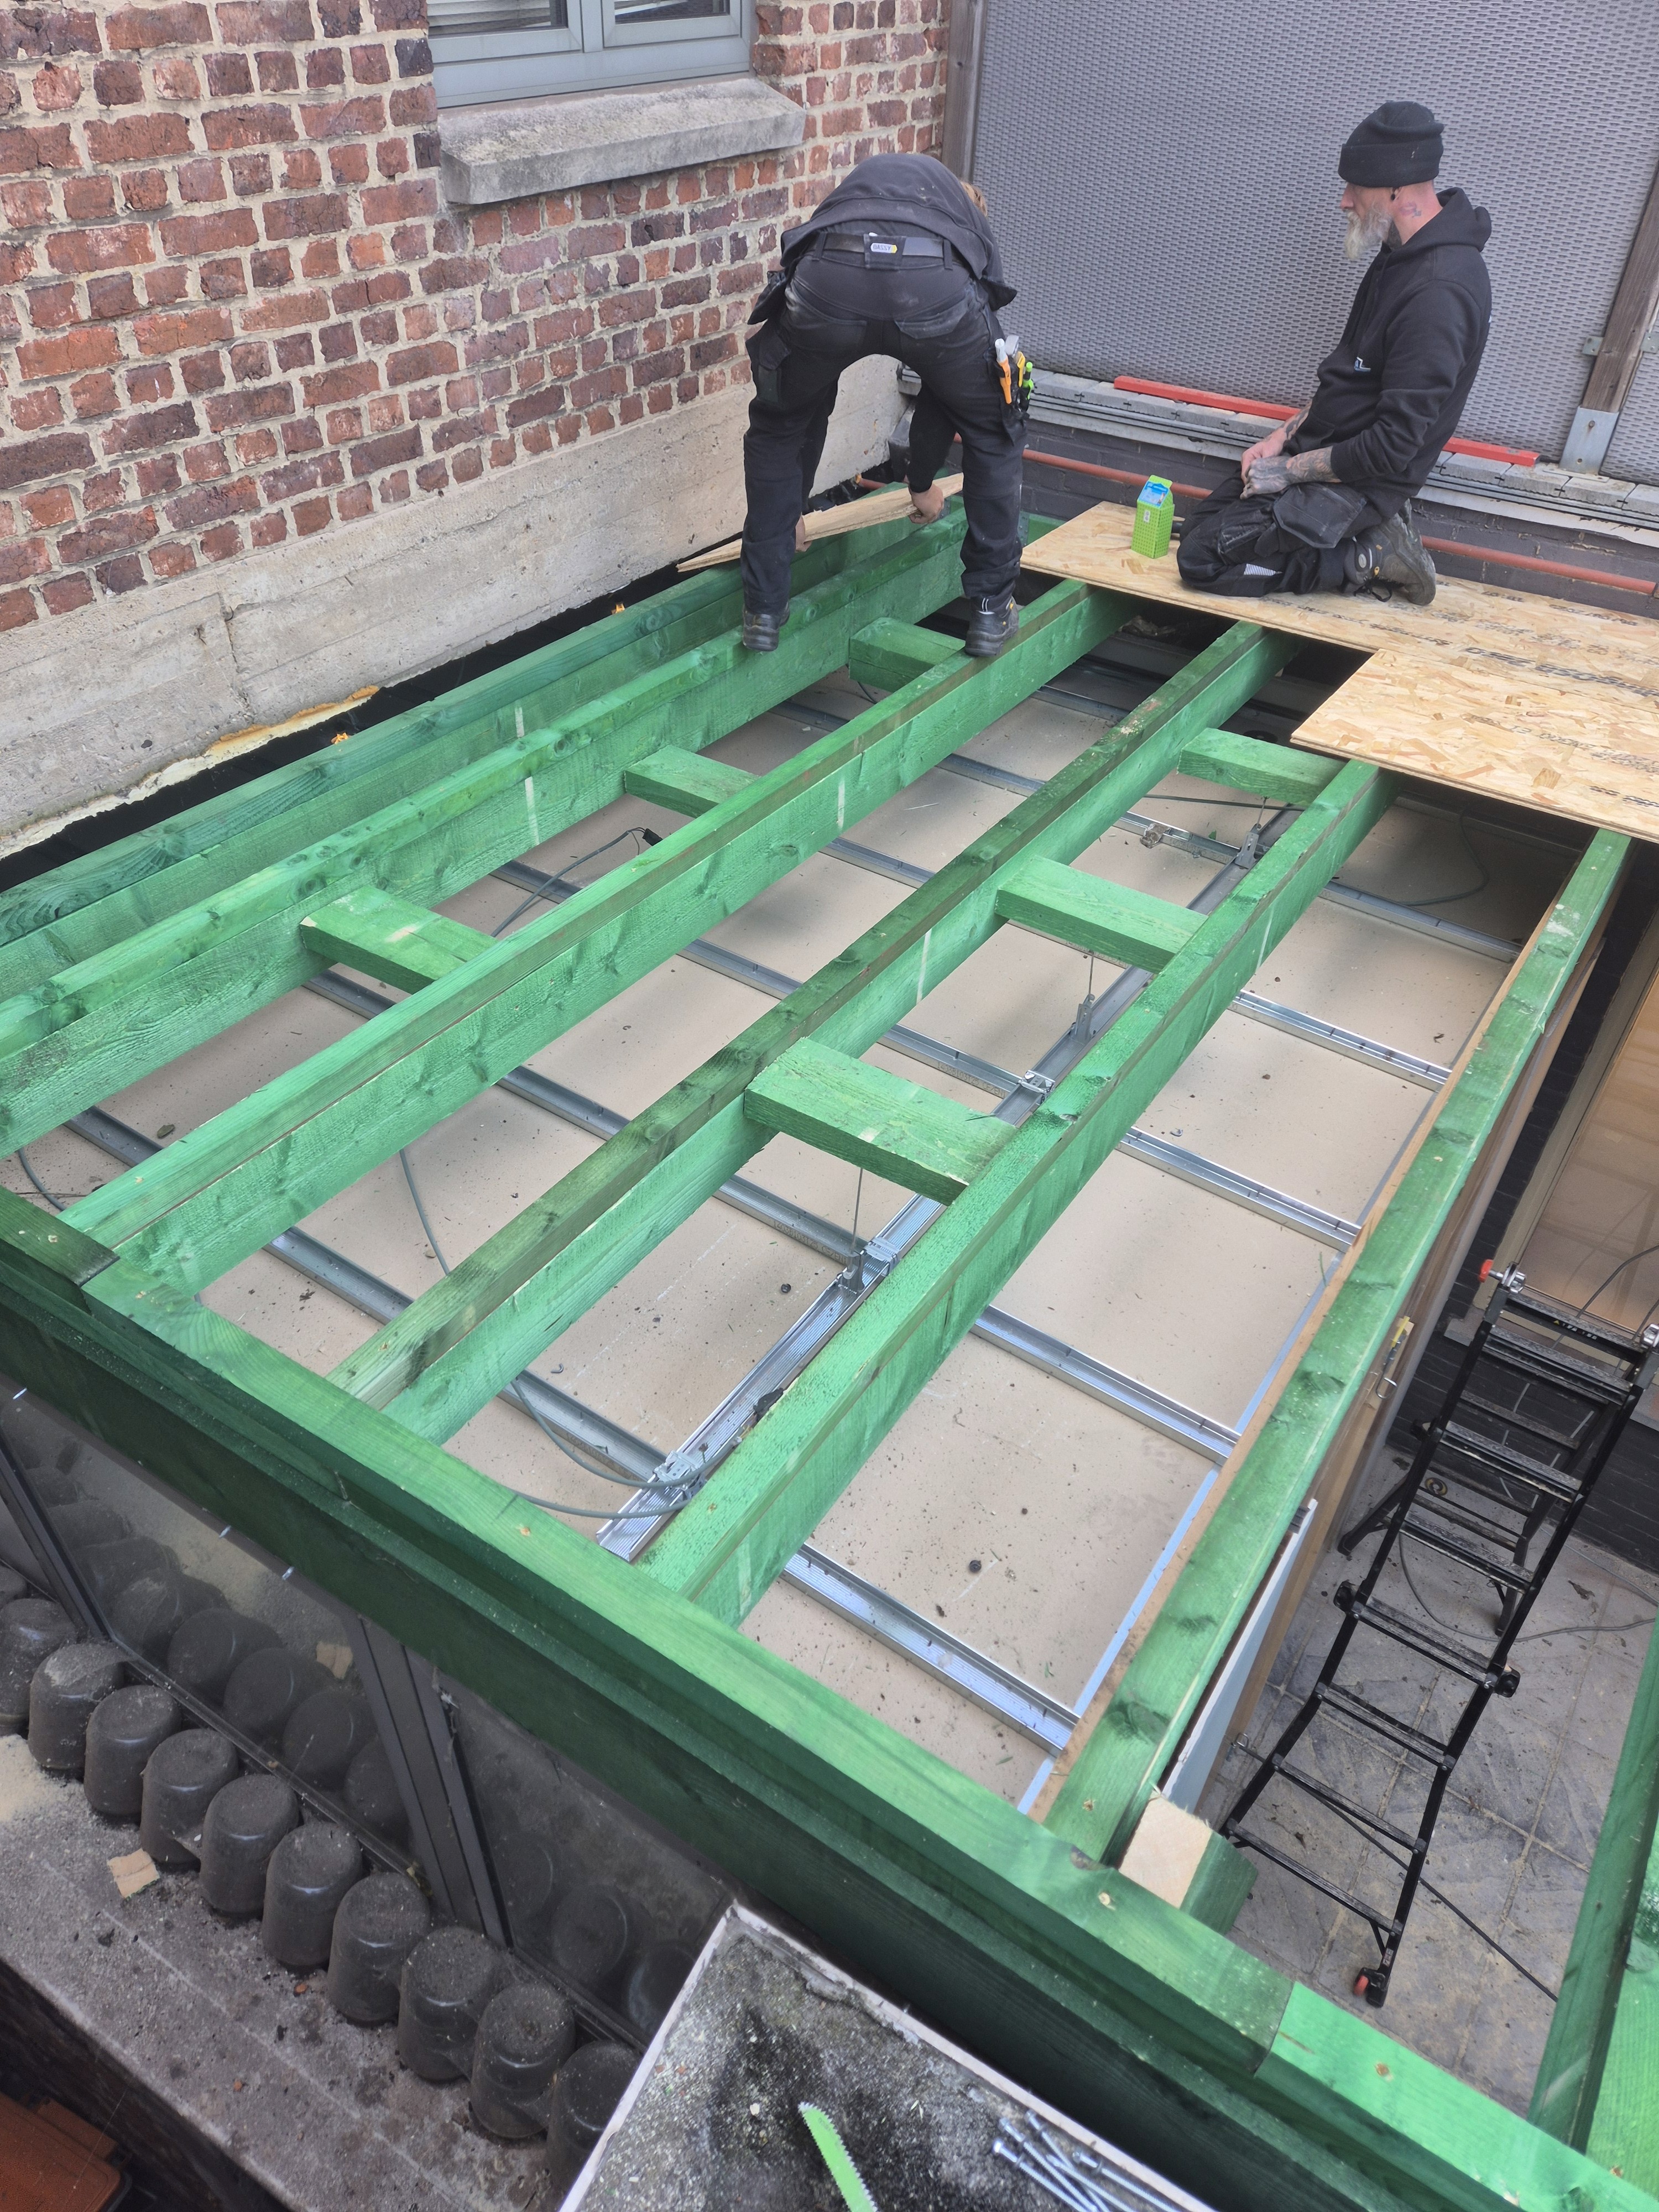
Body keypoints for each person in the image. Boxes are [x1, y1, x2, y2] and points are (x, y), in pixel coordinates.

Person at [1176, 103, 1491, 607]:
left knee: (1202, 561)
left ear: (1395, 188)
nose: (1345, 200)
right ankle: (1352, 541)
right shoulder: (1398, 254)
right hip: (1324, 452)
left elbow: (1391, 449)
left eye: (1355, 186)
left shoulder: (1439, 294)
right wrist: (1282, 438)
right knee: (1197, 528)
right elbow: (1350, 376)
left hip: (1360, 482)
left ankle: (1370, 551)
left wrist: (1288, 472)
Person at [738, 153, 1028, 657]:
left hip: (829, 277)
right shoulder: (966, 228)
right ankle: (991, 611)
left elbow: (798, 260)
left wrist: (787, 515)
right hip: (935, 287)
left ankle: (762, 610)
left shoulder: (869, 190)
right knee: (994, 431)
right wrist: (920, 485)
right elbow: (948, 396)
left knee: (780, 423)